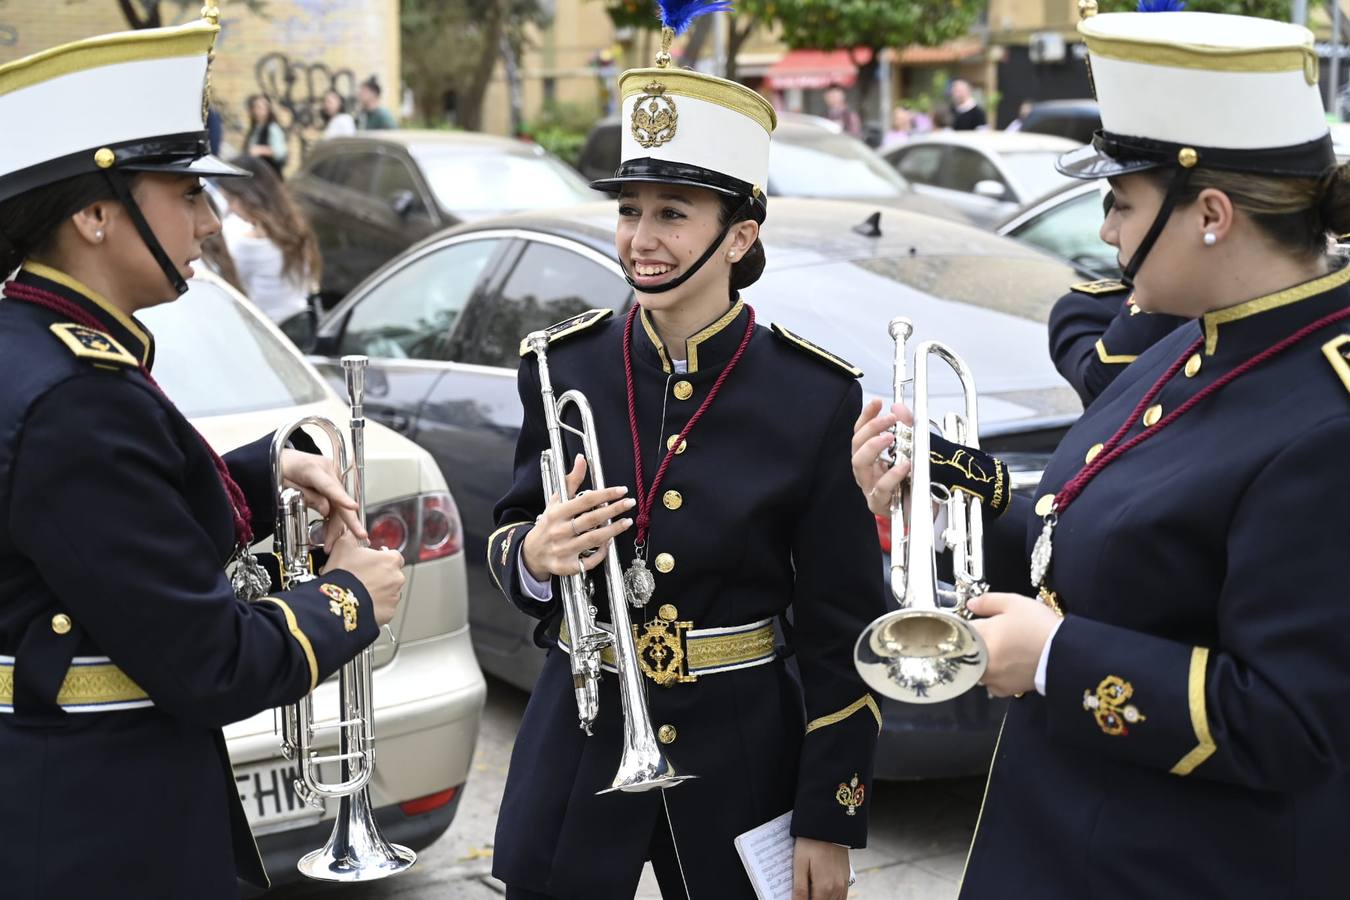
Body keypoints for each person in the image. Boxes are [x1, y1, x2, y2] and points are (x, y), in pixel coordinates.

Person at [853, 10, 1350, 898]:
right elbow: (1091, 534)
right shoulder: (1187, 339)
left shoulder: (1327, 419)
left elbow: (1294, 721)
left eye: (1121, 201)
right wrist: (936, 497)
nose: (1107, 231)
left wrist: (1054, 658)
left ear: (1211, 214)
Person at [0, 12, 406, 898]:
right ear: (96, 214)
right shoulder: (77, 395)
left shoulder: (47, 344)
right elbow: (208, 663)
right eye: (186, 194)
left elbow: (112, 533)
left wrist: (264, 473)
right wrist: (348, 599)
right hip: (101, 826)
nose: (213, 222)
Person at [486, 4, 887, 898]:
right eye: (630, 211)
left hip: (743, 746)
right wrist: (538, 556)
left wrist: (831, 812)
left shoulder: (811, 395)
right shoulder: (561, 366)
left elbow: (841, 623)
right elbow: (510, 533)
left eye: (672, 213)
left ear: (740, 235)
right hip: (580, 734)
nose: (640, 238)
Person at [215, 154, 323, 344]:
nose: (230, 209)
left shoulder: (249, 246)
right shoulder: (296, 229)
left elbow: (225, 292)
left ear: (249, 197)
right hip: (301, 327)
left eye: (231, 200)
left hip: (268, 338)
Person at [245, 93, 288, 175]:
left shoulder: (272, 128)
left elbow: (280, 152)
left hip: (269, 178)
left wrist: (260, 150)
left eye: (260, 107)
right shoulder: (255, 128)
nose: (257, 111)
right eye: (255, 107)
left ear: (268, 110)